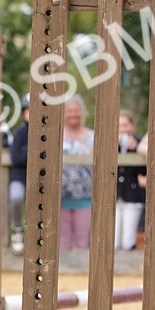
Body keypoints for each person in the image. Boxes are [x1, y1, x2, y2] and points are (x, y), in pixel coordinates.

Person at [60, 95, 93, 250]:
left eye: (76, 110)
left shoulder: (92, 136)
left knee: (83, 241)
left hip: (86, 198)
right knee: (62, 242)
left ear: (82, 113)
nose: (73, 114)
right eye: (69, 111)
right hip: (60, 198)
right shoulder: (56, 136)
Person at [115, 110, 146, 250]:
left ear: (132, 126)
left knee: (129, 236)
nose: (123, 129)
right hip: (114, 194)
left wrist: (135, 150)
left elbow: (144, 172)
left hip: (132, 194)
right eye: (120, 125)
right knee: (113, 236)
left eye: (125, 125)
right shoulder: (108, 143)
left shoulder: (140, 143)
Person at [8, 94, 30, 254]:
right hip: (20, 175)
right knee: (16, 196)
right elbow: (16, 158)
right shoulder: (20, 133)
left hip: (40, 177)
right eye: (27, 110)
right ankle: (17, 229)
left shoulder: (48, 133)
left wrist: (26, 152)